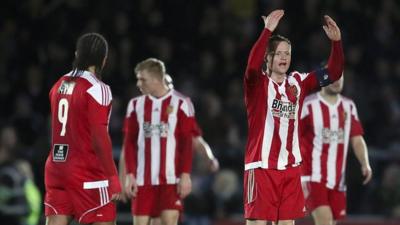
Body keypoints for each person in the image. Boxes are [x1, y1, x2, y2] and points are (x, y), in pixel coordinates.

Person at [243, 9, 343, 225]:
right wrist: (267, 31)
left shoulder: (298, 81)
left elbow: (333, 73)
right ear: (267, 58)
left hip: (290, 167)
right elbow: (251, 66)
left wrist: (336, 43)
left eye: (287, 53)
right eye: (278, 53)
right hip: (261, 166)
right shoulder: (257, 84)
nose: (284, 58)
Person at [44, 33, 122, 225]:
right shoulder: (98, 89)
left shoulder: (58, 84)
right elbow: (99, 136)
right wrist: (112, 176)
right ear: (103, 60)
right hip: (86, 173)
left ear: (77, 54)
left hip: (56, 167)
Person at [123, 58, 194, 225]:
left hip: (170, 180)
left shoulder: (182, 103)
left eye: (142, 79)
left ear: (156, 79)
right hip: (142, 180)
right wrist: (130, 175)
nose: (138, 83)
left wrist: (185, 175)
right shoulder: (135, 105)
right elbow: (129, 142)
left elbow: (186, 143)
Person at [300, 76, 372, 225]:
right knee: (325, 220)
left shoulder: (349, 106)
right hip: (312, 175)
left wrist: (365, 163)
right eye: (332, 76)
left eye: (340, 76)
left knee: (331, 222)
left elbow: (357, 138)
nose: (337, 80)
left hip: (338, 179)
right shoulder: (308, 105)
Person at [0, 125, 41, 225]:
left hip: (19, 215)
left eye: (11, 136)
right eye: (6, 136)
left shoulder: (22, 162)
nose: (9, 140)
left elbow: (31, 188)